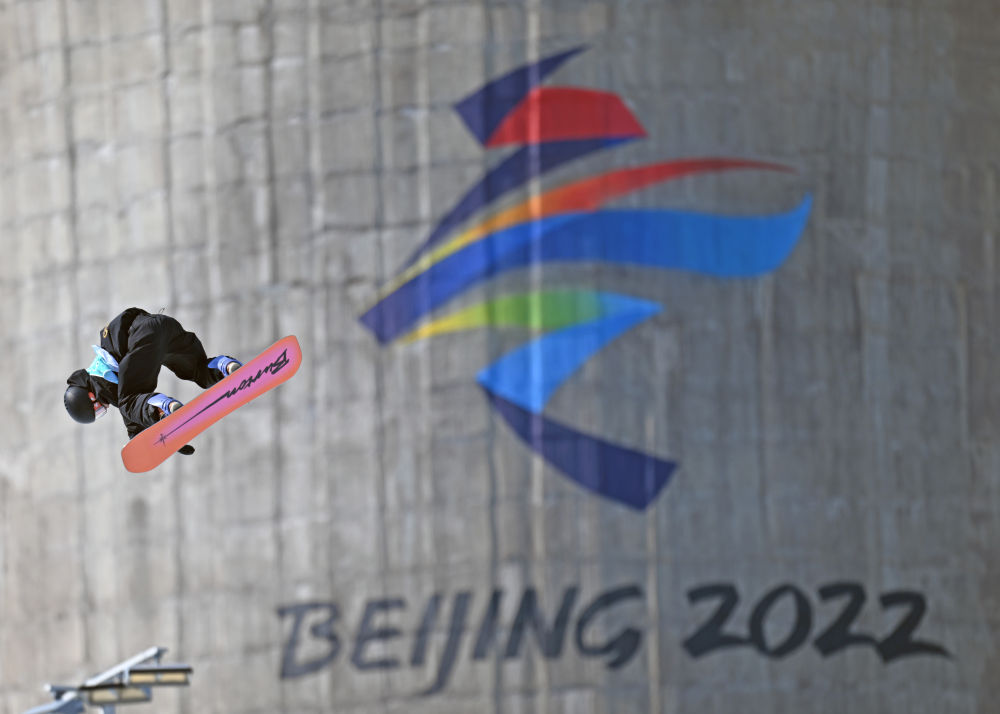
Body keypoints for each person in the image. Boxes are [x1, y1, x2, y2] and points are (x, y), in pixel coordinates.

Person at [64, 308, 242, 453]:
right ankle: (226, 367)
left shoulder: (100, 381)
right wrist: (169, 439)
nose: (105, 408)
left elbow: (128, 405)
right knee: (197, 370)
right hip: (163, 325)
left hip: (142, 337)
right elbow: (132, 407)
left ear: (90, 396)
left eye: (98, 410)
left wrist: (140, 439)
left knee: (128, 403)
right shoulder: (102, 371)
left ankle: (164, 408)